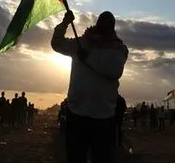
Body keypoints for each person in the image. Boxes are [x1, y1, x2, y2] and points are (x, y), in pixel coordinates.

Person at [51, 10, 129, 163]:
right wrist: (65, 23)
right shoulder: (82, 43)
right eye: (102, 22)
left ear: (112, 27)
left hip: (103, 117)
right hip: (77, 113)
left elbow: (114, 71)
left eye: (107, 23)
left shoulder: (118, 49)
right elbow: (57, 44)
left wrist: (88, 57)